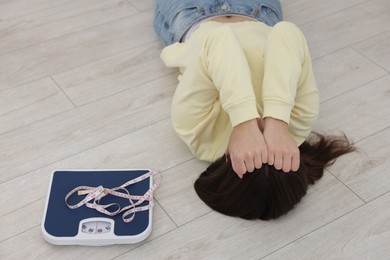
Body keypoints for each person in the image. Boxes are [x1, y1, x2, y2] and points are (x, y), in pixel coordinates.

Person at [153, 0, 355, 220]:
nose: (262, 142)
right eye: (274, 152)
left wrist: (244, 122)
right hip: (259, 11)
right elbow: (286, 33)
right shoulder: (296, 126)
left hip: (193, 14)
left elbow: (219, 40)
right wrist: (278, 121)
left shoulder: (201, 137)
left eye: (254, 153)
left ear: (230, 165)